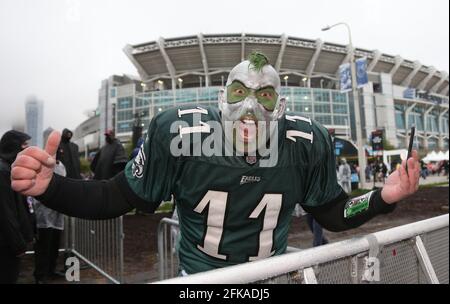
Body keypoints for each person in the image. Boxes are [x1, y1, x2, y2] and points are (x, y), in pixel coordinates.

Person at [11, 52, 421, 276]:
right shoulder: (179, 134)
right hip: (203, 283)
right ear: (221, 99)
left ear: (280, 108)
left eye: (262, 97)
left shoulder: (304, 141)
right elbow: (115, 196)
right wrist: (52, 188)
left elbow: (332, 212)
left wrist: (384, 196)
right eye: (240, 92)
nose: (249, 108)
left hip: (270, 279)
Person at [0, 130, 35, 283]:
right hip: (6, 245)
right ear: (13, 147)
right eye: (24, 145)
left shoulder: (12, 169)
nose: (28, 149)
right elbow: (6, 213)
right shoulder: (3, 172)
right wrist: (18, 244)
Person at [32, 160, 66, 284]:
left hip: (57, 211)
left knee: (55, 244)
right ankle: (40, 275)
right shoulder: (41, 166)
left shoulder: (61, 166)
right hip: (44, 213)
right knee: (43, 245)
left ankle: (51, 270)